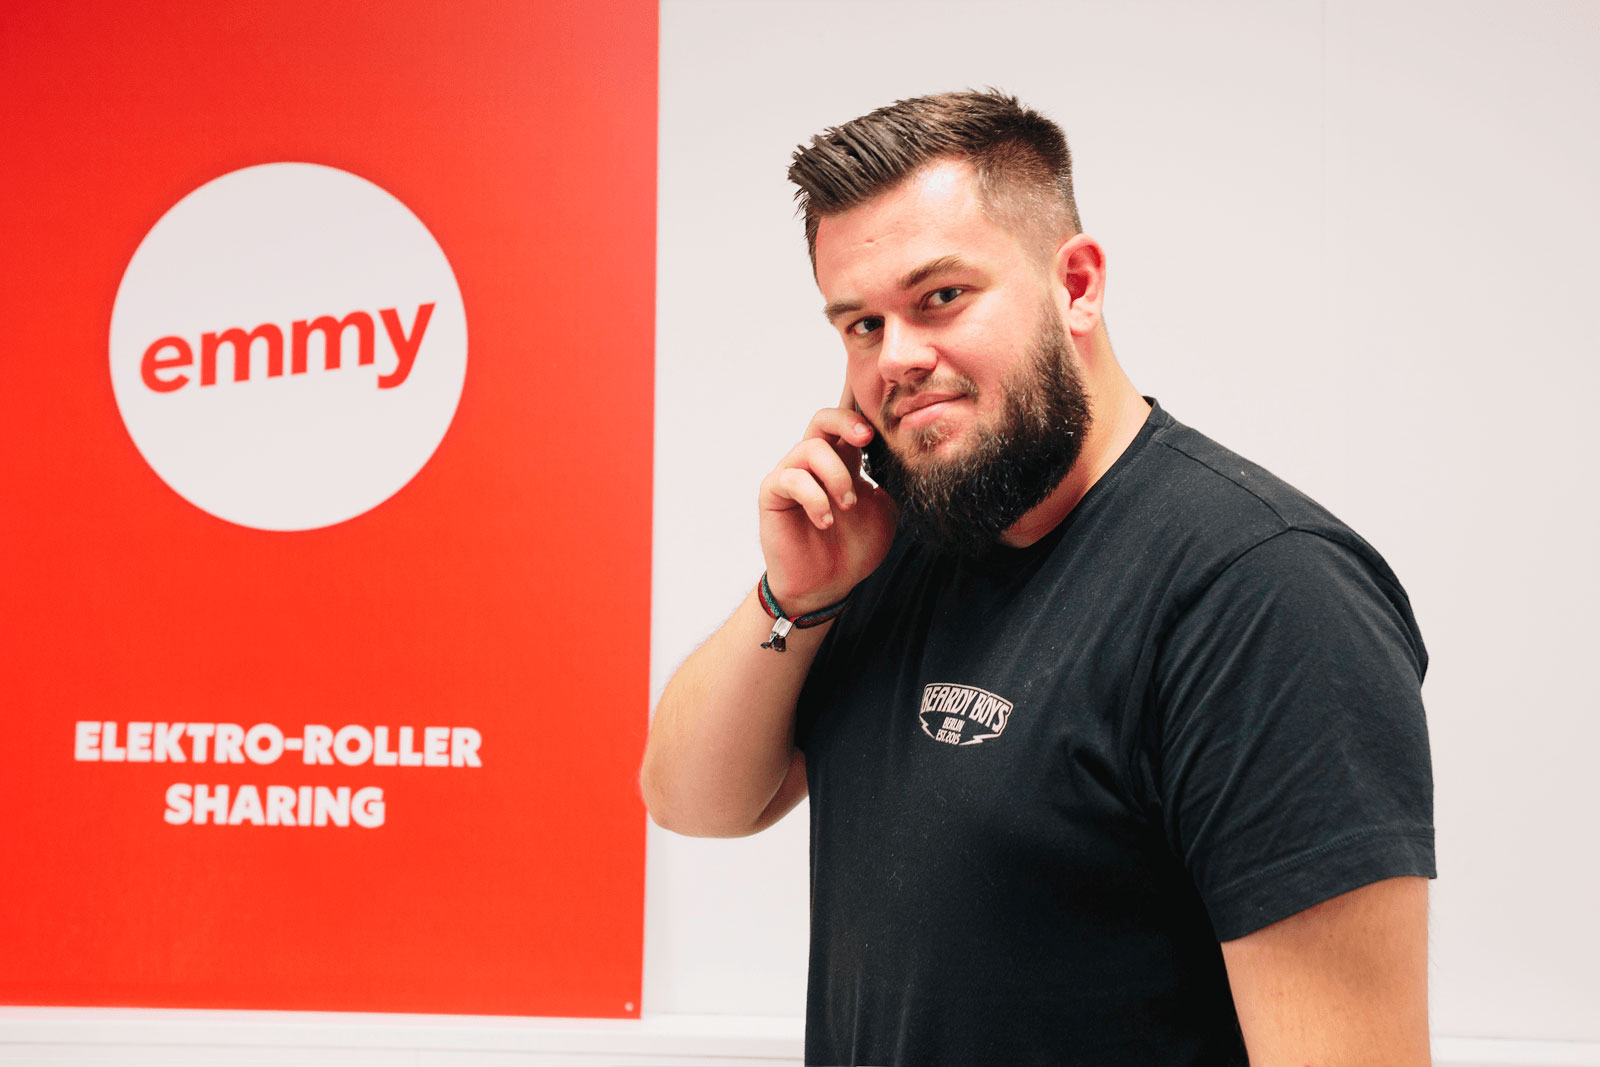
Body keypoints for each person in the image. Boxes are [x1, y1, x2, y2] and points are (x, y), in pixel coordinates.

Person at [641, 90, 1434, 1066]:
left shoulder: (1266, 594)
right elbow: (691, 801)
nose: (897, 359)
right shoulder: (904, 541)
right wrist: (795, 599)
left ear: (1077, 285)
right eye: (861, 324)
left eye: (940, 296)